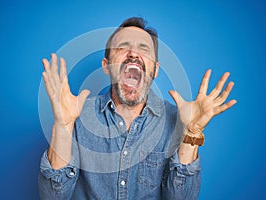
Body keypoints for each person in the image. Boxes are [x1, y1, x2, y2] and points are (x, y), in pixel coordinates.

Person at [38, 17, 236, 200]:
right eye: (123, 47)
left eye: (143, 48)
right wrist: (63, 126)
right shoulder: (78, 116)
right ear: (106, 66)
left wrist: (191, 133)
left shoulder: (176, 120)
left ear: (156, 69)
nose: (133, 53)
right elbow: (52, 197)